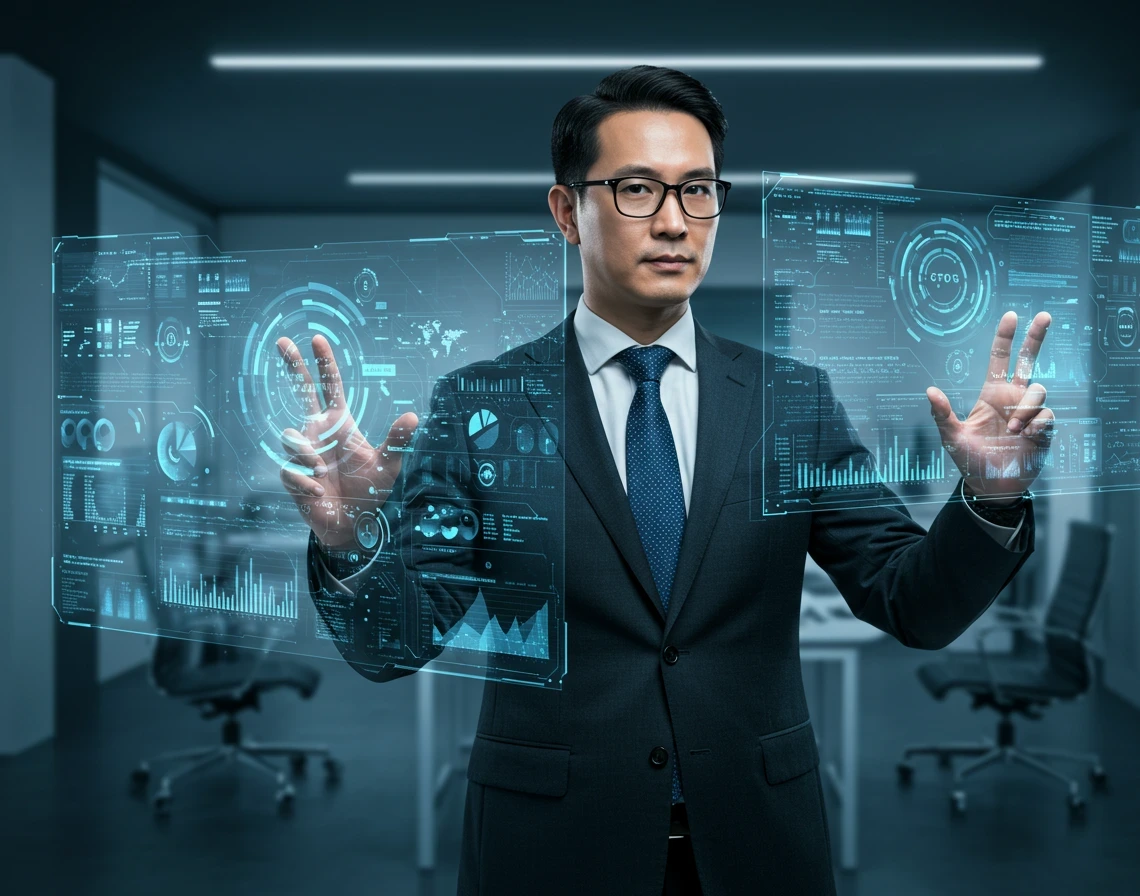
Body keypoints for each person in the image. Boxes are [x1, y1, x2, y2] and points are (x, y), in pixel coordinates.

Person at [274, 65, 1054, 896]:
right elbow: (397, 643)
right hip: (551, 851)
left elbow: (912, 602)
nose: (676, 222)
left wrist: (990, 497)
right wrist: (352, 541)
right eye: (638, 189)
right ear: (567, 212)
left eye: (699, 190)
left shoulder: (790, 401)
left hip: (754, 846)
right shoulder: (481, 404)